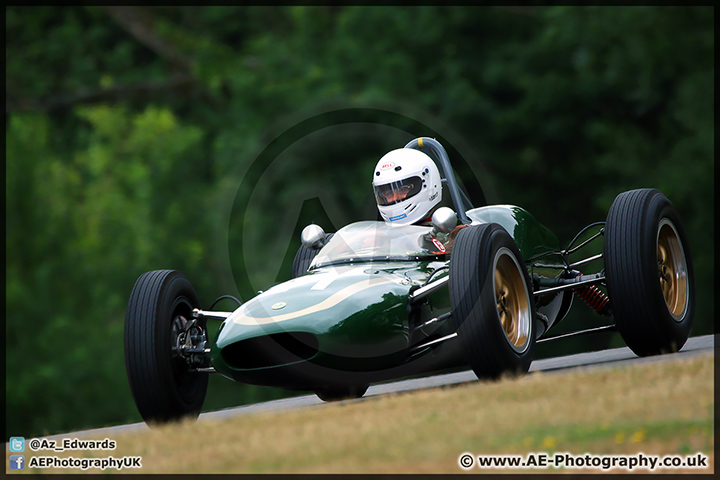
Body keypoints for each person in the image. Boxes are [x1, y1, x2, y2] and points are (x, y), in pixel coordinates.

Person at [372, 147, 466, 254]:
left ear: (428, 185)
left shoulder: (453, 233)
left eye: (403, 189)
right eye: (388, 193)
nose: (395, 198)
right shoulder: (378, 237)